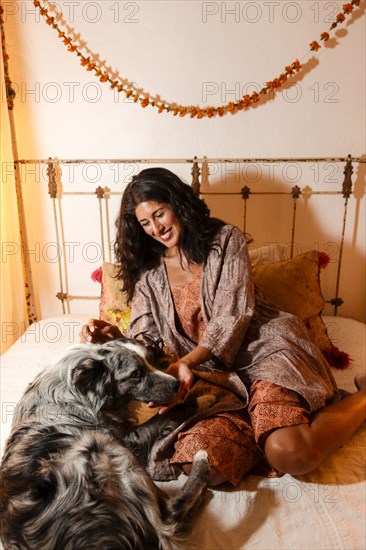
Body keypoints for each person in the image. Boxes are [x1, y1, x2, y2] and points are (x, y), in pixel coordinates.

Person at [81, 168, 366, 487]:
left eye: (159, 214)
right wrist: (115, 337)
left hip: (266, 352)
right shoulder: (150, 274)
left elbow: (234, 317)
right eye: (145, 223)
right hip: (212, 378)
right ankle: (261, 428)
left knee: (290, 453)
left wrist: (187, 362)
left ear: (178, 203)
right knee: (202, 466)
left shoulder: (224, 241)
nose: (156, 228)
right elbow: (145, 342)